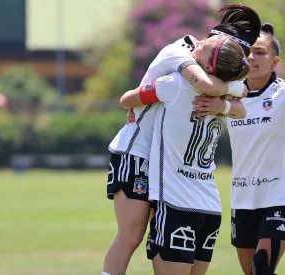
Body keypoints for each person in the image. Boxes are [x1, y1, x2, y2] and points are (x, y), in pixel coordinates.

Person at [102, 4, 261, 275]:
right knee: (132, 234)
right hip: (138, 150)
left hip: (169, 164)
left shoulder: (208, 68)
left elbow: (240, 103)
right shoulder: (179, 54)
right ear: (217, 43)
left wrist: (223, 103)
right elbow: (211, 87)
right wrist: (230, 91)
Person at [192, 23, 285, 275]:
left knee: (261, 270)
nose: (251, 58)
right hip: (243, 199)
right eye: (248, 52)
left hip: (281, 197)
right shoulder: (229, 93)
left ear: (274, 60)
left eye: (260, 52)